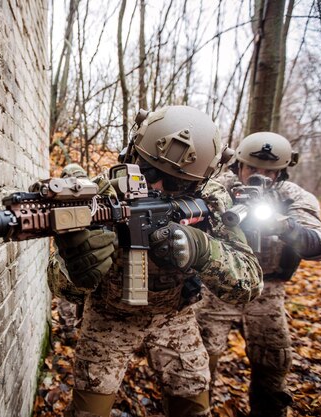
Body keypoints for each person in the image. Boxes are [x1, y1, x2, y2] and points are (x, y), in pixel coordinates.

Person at [48, 105, 263, 417]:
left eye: (175, 183)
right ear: (132, 154)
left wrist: (203, 250)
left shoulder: (213, 200)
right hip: (108, 317)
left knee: (193, 407)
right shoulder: (100, 194)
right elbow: (59, 288)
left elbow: (250, 282)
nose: (157, 188)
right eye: (147, 172)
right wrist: (76, 265)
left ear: (199, 183)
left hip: (175, 319)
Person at [196, 132, 321, 417]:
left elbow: (319, 247)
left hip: (267, 292)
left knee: (273, 364)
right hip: (217, 288)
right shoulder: (217, 189)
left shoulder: (292, 197)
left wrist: (287, 228)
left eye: (269, 172)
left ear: (281, 172)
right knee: (199, 362)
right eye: (253, 169)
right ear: (239, 166)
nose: (261, 177)